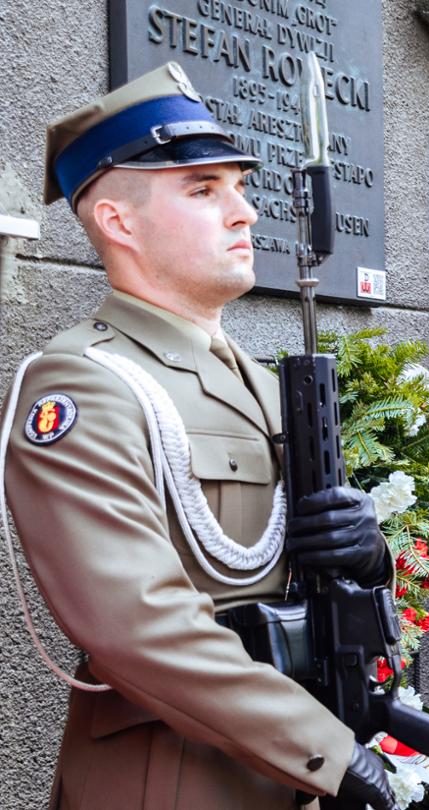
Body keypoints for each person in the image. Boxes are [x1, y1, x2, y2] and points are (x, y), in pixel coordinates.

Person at [4, 63, 396, 807]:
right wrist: (328, 753)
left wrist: (367, 554)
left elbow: (291, 568)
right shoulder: (80, 384)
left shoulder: (258, 379)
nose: (243, 212)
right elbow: (139, 627)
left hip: (289, 763)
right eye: (204, 189)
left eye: (240, 188)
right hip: (176, 775)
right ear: (119, 221)